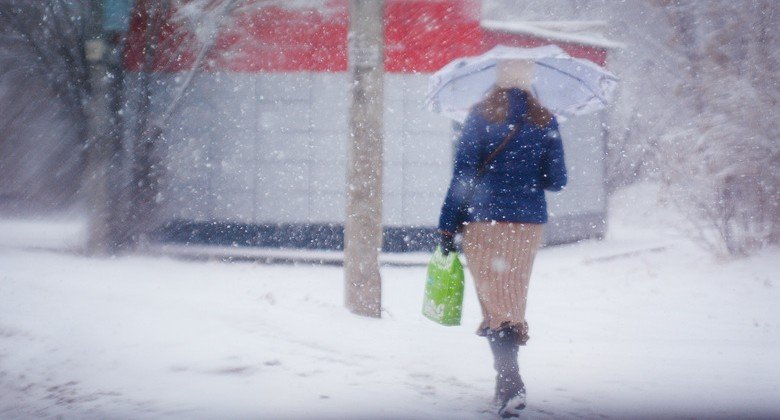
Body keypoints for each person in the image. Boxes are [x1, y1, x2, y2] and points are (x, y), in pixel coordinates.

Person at [437, 86, 567, 417]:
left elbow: (463, 175)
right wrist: (528, 166)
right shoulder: (545, 119)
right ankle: (505, 384)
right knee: (511, 298)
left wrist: (447, 226)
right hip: (527, 224)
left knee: (496, 302)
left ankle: (510, 382)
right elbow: (557, 181)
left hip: (484, 220)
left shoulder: (479, 117)